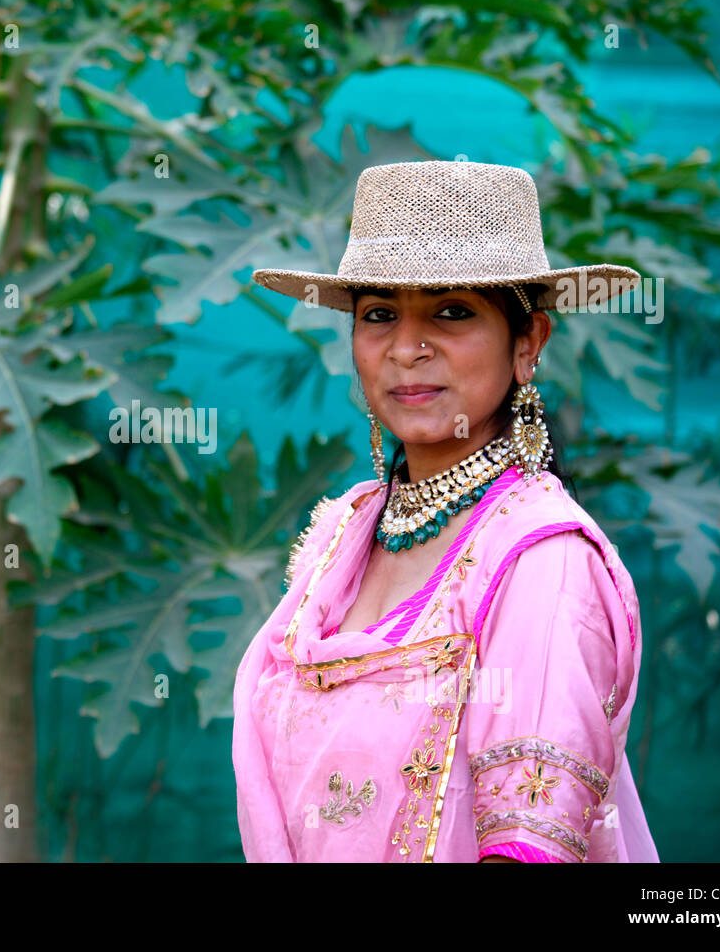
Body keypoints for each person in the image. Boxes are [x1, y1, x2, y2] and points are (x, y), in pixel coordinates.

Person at [233, 160, 659, 862]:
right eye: (378, 315)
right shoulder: (342, 535)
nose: (406, 348)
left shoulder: (541, 563)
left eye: (452, 311)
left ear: (529, 344)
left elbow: (532, 843)